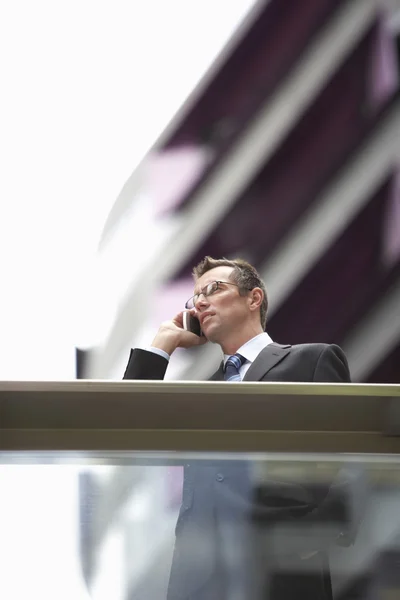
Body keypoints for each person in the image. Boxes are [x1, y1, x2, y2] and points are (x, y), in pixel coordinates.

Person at [124, 257, 361, 600]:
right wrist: (164, 342)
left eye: (214, 289)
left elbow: (352, 457)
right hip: (201, 581)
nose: (200, 301)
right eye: (194, 298)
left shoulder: (311, 360)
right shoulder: (200, 394)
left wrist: (307, 541)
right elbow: (127, 424)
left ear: (254, 299)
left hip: (283, 570)